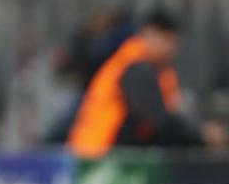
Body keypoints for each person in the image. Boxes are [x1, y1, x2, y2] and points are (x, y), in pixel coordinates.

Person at [68, 10, 228, 157]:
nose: (172, 49)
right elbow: (156, 119)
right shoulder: (134, 67)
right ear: (149, 34)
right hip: (99, 156)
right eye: (167, 40)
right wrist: (202, 136)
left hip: (107, 156)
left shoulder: (158, 71)